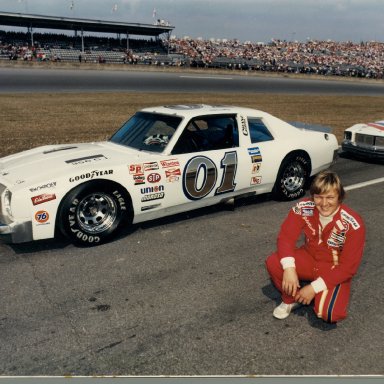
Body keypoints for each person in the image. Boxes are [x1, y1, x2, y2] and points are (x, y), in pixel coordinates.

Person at [265, 170, 365, 323]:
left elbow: (348, 267)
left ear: (340, 197)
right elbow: (286, 237)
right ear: (313, 196)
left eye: (330, 197)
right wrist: (289, 268)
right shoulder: (303, 207)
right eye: (319, 197)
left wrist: (313, 288)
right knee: (274, 261)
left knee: (330, 314)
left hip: (333, 268)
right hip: (308, 258)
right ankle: (291, 299)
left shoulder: (353, 223)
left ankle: (315, 293)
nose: (324, 204)